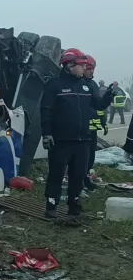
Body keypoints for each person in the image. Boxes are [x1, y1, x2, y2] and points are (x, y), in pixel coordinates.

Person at [41, 49, 112, 218]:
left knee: (78, 174)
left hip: (83, 140)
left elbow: (99, 105)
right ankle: (51, 205)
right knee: (56, 173)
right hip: (61, 141)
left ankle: (74, 203)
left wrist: (109, 95)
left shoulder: (86, 86)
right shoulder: (54, 85)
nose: (84, 68)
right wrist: (46, 134)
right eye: (81, 65)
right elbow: (46, 111)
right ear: (69, 65)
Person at [82, 55, 109, 192]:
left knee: (90, 154)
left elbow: (98, 106)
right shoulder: (78, 84)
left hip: (92, 128)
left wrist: (103, 121)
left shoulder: (92, 84)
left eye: (93, 68)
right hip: (79, 128)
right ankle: (78, 179)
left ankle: (86, 178)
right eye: (89, 68)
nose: (92, 71)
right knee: (80, 155)